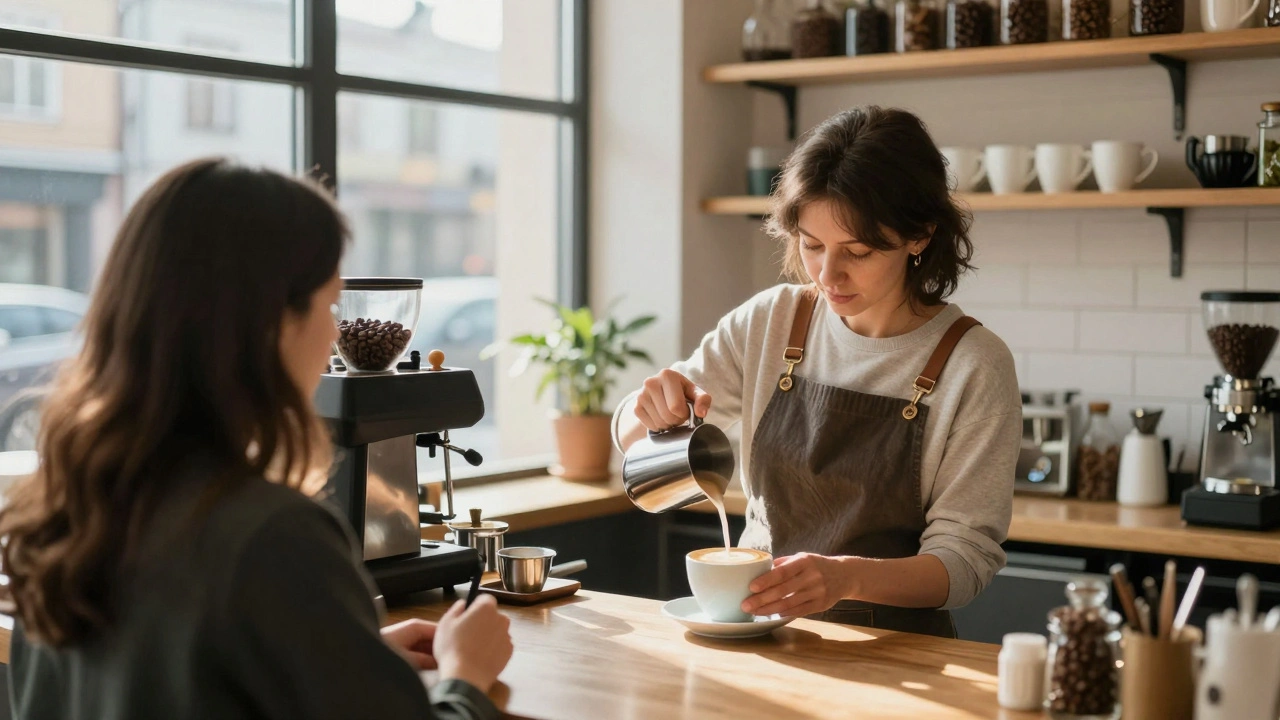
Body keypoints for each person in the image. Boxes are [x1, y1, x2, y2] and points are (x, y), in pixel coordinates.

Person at [0, 159, 513, 719]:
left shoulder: (64, 513)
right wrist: (466, 675)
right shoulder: (274, 534)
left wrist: (344, 657)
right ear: (274, 325)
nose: (335, 334)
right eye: (330, 305)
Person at [615, 106, 1022, 638]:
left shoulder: (974, 364)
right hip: (761, 633)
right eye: (812, 245)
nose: (829, 275)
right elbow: (631, 438)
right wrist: (648, 409)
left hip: (896, 653)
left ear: (920, 236)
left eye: (858, 251)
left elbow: (965, 562)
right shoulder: (771, 322)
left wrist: (847, 578)